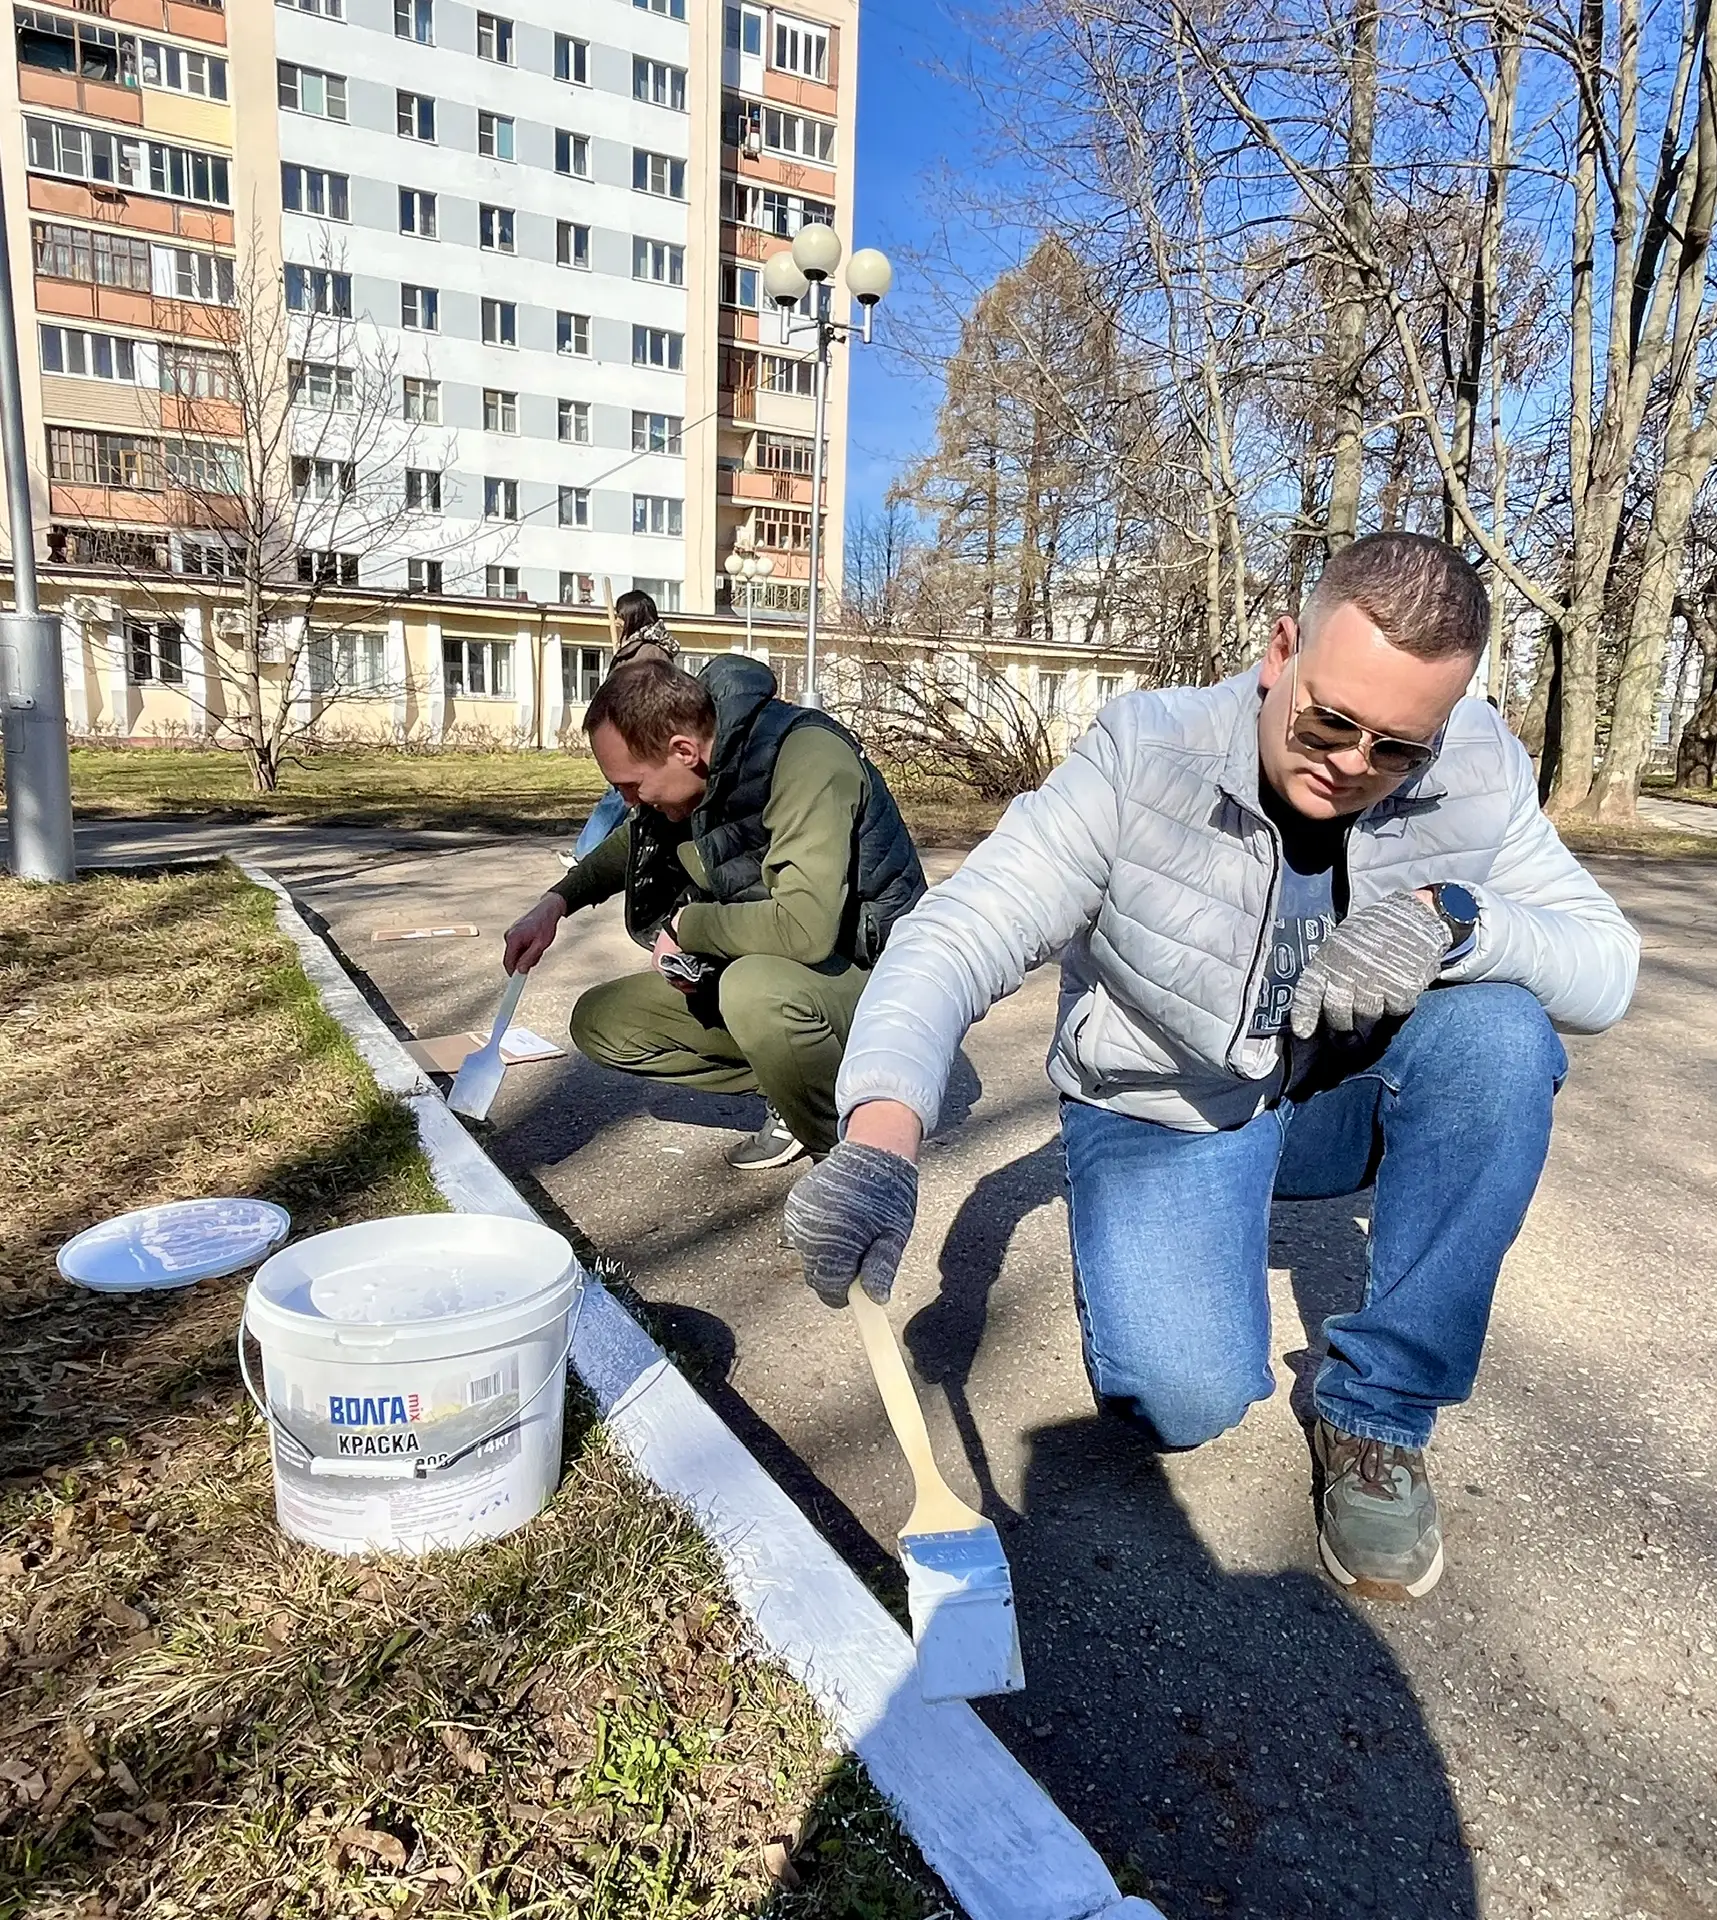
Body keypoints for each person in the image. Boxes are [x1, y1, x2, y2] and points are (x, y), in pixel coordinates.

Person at [785, 531, 1639, 1601]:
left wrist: (1452, 921)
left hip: (1334, 1098)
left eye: (1395, 749)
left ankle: (1376, 1418)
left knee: (1503, 1036)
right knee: (1179, 1406)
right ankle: (1186, 1252)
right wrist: (878, 1137)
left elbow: (1606, 970)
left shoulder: (1475, 768)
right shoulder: (1146, 755)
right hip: (1168, 1104)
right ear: (1282, 650)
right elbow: (955, 933)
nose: (1352, 766)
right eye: (1330, 720)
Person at [505, 654, 928, 1170]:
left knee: (754, 991)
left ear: (682, 750)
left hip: (879, 976)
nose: (629, 802)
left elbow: (805, 929)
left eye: (630, 786)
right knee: (604, 1021)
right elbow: (634, 841)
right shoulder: (696, 763)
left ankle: (850, 1161)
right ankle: (791, 1084)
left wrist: (689, 927)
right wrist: (555, 903)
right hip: (793, 970)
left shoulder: (808, 760)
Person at [572, 590, 680, 859]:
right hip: (626, 734)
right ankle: (598, 853)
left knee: (623, 795)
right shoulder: (636, 647)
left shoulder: (650, 651)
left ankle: (588, 853)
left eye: (622, 616)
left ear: (634, 616)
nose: (617, 622)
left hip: (638, 736)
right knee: (627, 797)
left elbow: (649, 698)